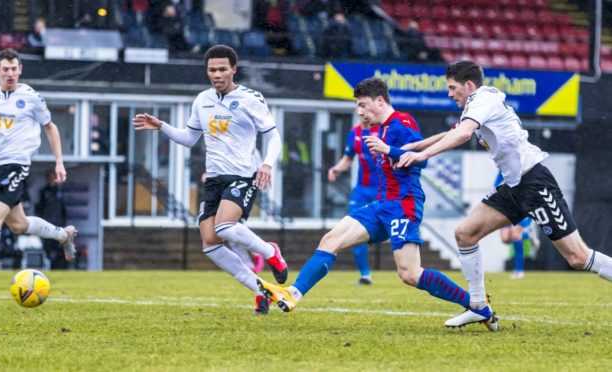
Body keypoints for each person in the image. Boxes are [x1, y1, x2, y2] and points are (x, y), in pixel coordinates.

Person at [257, 78, 496, 331]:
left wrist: (388, 149)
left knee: (410, 274)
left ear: (379, 101)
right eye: (357, 106)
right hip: (382, 205)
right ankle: (293, 293)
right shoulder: (381, 129)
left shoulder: (401, 122)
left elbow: (421, 161)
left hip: (404, 205)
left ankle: (477, 304)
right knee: (330, 240)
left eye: (363, 105)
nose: (359, 111)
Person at [395, 60, 612, 329]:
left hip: (534, 182)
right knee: (465, 234)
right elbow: (454, 131)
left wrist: (421, 155)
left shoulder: (483, 98)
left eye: (453, 88)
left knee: (578, 257)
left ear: (469, 85)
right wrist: (416, 144)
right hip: (514, 187)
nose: (450, 94)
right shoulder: (477, 106)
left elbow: (462, 134)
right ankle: (478, 306)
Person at [133, 44, 288, 315]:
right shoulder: (202, 100)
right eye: (212, 69)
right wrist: (162, 127)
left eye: (222, 69)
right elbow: (189, 138)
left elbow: (273, 135)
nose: (217, 74)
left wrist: (266, 164)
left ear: (233, 70)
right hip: (215, 179)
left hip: (243, 176)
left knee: (226, 226)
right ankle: (262, 289)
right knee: (210, 243)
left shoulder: (251, 98)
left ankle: (269, 251)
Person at [0, 49, 77, 265]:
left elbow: (50, 127)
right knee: (18, 224)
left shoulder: (31, 97)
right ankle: (63, 235)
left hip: (14, 165)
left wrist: (59, 162)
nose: (10, 73)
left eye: (13, 69)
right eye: (5, 69)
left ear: (20, 69)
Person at [327, 118, 379, 284]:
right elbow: (348, 158)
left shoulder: (382, 131)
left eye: (364, 107)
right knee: (352, 229)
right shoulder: (354, 133)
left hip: (382, 189)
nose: (362, 113)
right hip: (361, 190)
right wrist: (337, 168)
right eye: (359, 108)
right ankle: (365, 275)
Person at [494, 171, 532, 279]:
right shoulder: (503, 168)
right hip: (506, 207)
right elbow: (495, 184)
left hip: (519, 207)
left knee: (515, 236)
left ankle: (519, 270)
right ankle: (527, 235)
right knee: (505, 239)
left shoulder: (524, 167)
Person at [36, 169, 68, 269]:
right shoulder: (43, 192)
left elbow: (64, 210)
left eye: (55, 176)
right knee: (47, 249)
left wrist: (63, 223)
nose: (53, 178)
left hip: (59, 225)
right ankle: (47, 267)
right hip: (46, 225)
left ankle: (60, 268)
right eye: (51, 176)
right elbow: (39, 209)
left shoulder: (60, 192)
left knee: (60, 249)